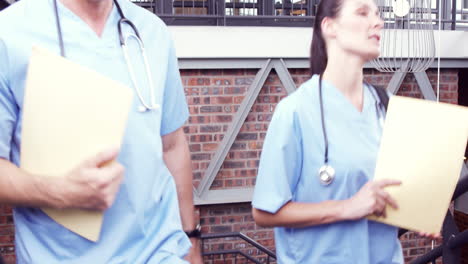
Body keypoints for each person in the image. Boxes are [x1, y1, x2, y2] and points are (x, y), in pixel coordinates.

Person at [0, 0, 203, 263]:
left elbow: (172, 146)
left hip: (161, 253)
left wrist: (191, 238)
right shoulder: (9, 32)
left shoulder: (153, 32)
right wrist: (58, 191)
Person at [252, 0, 405, 263]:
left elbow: (394, 193)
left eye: (379, 15)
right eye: (362, 12)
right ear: (330, 26)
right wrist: (346, 208)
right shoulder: (295, 112)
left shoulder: (387, 106)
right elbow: (264, 212)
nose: (378, 22)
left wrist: (421, 213)